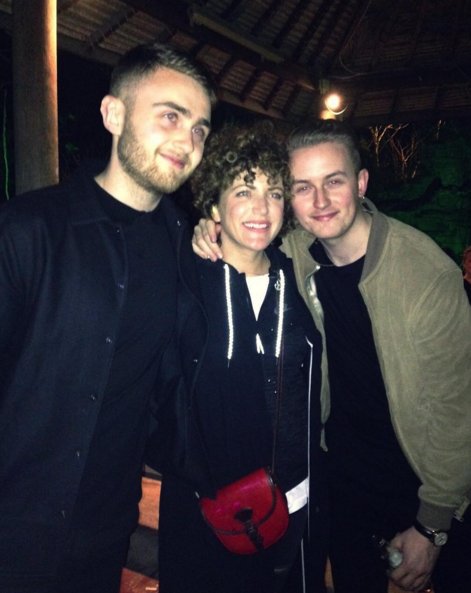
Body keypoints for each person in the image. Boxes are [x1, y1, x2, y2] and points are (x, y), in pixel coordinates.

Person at [192, 119, 471, 593]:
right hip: (343, 484)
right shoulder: (296, 251)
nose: (319, 201)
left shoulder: (425, 273)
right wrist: (209, 228)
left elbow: (457, 409)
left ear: (361, 183)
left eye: (334, 181)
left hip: (422, 480)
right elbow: (246, 234)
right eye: (302, 187)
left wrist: (433, 525)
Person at [0, 42, 215, 593]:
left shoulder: (186, 252)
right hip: (13, 528)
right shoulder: (27, 230)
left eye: (200, 129)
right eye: (171, 116)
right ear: (113, 114)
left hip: (105, 532)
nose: (188, 141)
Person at [147, 122, 327, 593]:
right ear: (214, 205)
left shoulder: (298, 277)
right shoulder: (184, 282)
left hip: (295, 502)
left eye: (273, 193)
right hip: (210, 513)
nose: (261, 208)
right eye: (244, 191)